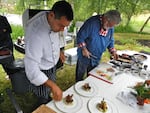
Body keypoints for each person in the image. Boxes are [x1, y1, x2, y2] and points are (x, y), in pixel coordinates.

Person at [24, 0, 73, 107]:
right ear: (51, 15)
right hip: (41, 69)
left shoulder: (54, 21)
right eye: (61, 26)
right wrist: (53, 85)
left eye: (65, 27)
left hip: (51, 65)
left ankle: (47, 98)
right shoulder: (35, 33)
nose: (62, 30)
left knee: (50, 89)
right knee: (42, 96)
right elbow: (32, 69)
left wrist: (59, 51)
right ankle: (41, 105)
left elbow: (56, 38)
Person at [75, 10, 121, 82]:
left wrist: (113, 51)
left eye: (112, 26)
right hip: (85, 55)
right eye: (110, 25)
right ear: (106, 19)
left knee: (92, 76)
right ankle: (77, 84)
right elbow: (80, 36)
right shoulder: (91, 23)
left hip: (96, 56)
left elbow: (110, 40)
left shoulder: (110, 27)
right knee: (80, 74)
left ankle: (89, 86)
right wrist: (84, 49)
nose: (110, 28)